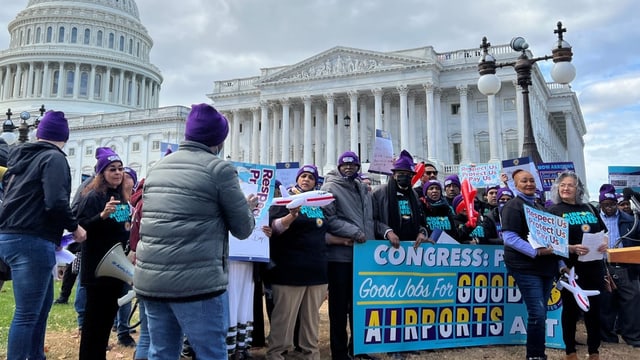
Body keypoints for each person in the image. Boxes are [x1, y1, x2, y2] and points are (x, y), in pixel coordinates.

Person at [134, 103, 257, 360]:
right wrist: (247, 208)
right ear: (219, 140)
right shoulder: (219, 169)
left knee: (161, 352)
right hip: (197, 283)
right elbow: (243, 229)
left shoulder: (158, 168)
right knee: (211, 353)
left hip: (152, 279)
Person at [0, 110, 87, 360]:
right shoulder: (54, 158)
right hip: (32, 239)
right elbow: (56, 201)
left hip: (9, 236)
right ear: (64, 137)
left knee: (42, 306)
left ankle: (37, 356)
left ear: (40, 133)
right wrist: (75, 228)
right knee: (27, 313)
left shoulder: (20, 158)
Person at [266, 164, 329, 360]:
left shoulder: (319, 203)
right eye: (304, 176)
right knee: (284, 318)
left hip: (316, 270)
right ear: (297, 178)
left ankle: (309, 353)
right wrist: (291, 216)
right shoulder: (285, 199)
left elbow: (322, 234)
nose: (307, 179)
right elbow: (273, 229)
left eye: (311, 177)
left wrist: (345, 240)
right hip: (289, 270)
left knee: (311, 319)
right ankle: (276, 353)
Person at [75, 147, 132, 360]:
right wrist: (102, 215)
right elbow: (80, 228)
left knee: (106, 322)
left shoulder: (121, 196)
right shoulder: (93, 196)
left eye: (120, 169)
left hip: (115, 268)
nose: (117, 173)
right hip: (98, 268)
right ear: (102, 174)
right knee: (93, 324)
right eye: (112, 169)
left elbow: (121, 229)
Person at [371, 150, 428, 359]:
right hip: (388, 256)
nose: (403, 176)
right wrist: (387, 231)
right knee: (392, 303)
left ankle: (407, 341)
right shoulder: (379, 193)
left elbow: (422, 222)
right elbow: (373, 221)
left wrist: (422, 233)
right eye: (400, 172)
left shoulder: (415, 196)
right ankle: (393, 345)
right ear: (393, 174)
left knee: (410, 301)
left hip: (411, 256)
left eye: (407, 173)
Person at [321, 151, 375, 360]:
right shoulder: (330, 188)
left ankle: (358, 349)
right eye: (345, 165)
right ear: (339, 166)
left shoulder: (362, 188)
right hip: (340, 258)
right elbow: (329, 219)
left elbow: (369, 218)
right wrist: (354, 232)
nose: (349, 168)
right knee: (338, 308)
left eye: (353, 165)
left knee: (359, 306)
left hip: (361, 256)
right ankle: (340, 353)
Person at [500, 169, 560, 360]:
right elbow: (509, 237)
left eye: (532, 180)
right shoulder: (512, 206)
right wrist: (536, 251)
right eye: (524, 181)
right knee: (537, 312)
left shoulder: (540, 208)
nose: (529, 184)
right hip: (525, 267)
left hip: (546, 268)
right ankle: (535, 356)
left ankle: (538, 354)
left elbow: (553, 240)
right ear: (515, 185)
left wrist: (560, 263)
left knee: (540, 313)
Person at [548, 171, 607, 360]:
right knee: (571, 312)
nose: (565, 188)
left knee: (594, 310)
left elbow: (604, 231)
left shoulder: (590, 208)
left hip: (594, 267)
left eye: (570, 185)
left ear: (578, 188)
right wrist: (570, 248)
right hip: (570, 270)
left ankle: (594, 351)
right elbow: (549, 243)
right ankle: (570, 351)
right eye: (562, 185)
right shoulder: (554, 211)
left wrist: (605, 242)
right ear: (557, 188)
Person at [597, 184, 640, 347]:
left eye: (612, 204)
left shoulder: (631, 220)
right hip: (602, 265)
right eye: (606, 205)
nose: (610, 207)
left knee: (632, 300)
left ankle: (633, 336)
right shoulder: (594, 219)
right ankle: (608, 337)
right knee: (606, 302)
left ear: (617, 203)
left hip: (625, 266)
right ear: (601, 205)